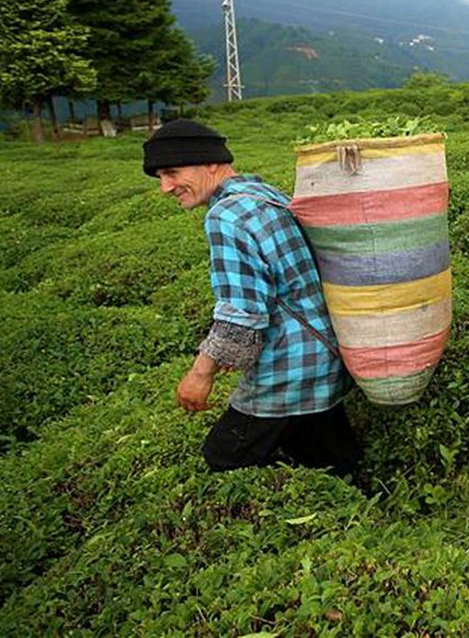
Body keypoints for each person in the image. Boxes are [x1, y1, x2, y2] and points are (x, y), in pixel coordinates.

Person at [142, 118, 360, 476]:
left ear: (210, 162)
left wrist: (201, 374)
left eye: (172, 172)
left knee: (224, 458)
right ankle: (361, 515)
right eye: (160, 178)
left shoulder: (225, 216)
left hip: (288, 366)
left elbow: (242, 312)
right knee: (329, 458)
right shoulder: (264, 194)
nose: (165, 187)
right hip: (325, 353)